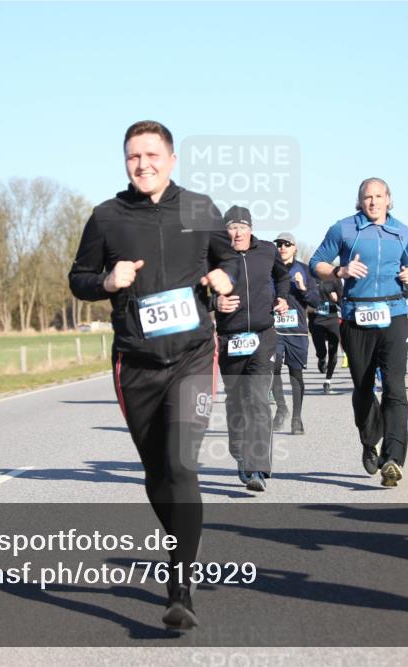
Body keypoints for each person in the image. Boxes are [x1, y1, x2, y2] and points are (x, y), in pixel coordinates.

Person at [68, 120, 240, 629]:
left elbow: (226, 255)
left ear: (171, 159)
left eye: (151, 155)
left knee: (181, 463)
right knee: (157, 473)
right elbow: (78, 279)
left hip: (191, 356)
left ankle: (180, 583)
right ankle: (184, 536)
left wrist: (221, 273)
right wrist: (107, 280)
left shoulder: (200, 207)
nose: (142, 164)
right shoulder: (106, 216)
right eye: (132, 157)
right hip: (135, 363)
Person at [310, 177, 408, 487]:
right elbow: (316, 263)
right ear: (360, 202)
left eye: (379, 196)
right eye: (367, 197)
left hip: (394, 314)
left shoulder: (402, 231)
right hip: (356, 316)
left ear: (389, 200)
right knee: (363, 387)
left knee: (395, 389)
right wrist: (339, 271)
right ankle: (369, 440)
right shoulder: (343, 229)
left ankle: (393, 459)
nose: (373, 202)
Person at [215, 205, 289, 492]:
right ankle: (239, 451)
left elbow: (282, 276)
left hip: (262, 335)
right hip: (229, 338)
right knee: (236, 400)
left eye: (242, 227)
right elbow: (198, 289)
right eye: (232, 228)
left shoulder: (268, 250)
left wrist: (282, 298)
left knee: (257, 399)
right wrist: (215, 303)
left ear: (250, 228)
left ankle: (257, 468)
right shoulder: (216, 255)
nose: (237, 233)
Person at [271, 232, 319, 435]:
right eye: (279, 244)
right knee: (272, 368)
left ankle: (297, 418)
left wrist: (303, 288)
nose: (282, 247)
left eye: (287, 244)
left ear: (294, 248)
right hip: (273, 329)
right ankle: (281, 408)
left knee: (295, 373)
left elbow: (316, 302)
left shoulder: (305, 270)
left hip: (297, 331)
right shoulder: (268, 270)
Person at [312, 275, 345, 393]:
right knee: (321, 351)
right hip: (316, 319)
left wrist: (337, 299)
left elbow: (343, 302)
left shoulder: (335, 280)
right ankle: (321, 359)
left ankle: (328, 381)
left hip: (332, 319)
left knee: (333, 351)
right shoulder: (311, 278)